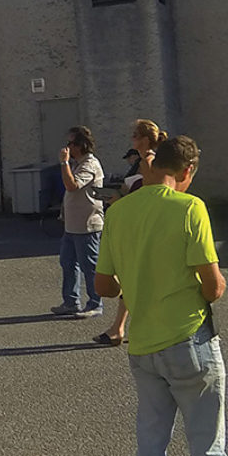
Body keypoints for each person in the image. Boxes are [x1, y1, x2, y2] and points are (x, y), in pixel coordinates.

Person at [94, 136, 228, 456]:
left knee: (152, 445)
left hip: (144, 345)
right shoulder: (189, 208)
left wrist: (134, 275)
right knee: (206, 444)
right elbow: (212, 286)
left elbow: (104, 285)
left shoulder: (120, 211)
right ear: (187, 172)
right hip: (189, 340)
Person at [95, 119, 167, 346]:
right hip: (135, 223)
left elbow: (150, 194)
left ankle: (125, 328)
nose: (131, 139)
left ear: (145, 139)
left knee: (140, 277)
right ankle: (119, 327)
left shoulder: (151, 161)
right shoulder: (138, 162)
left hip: (144, 225)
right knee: (135, 277)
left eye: (134, 136)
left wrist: (121, 199)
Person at [51, 125, 104, 318]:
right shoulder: (76, 164)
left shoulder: (90, 164)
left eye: (71, 144)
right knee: (68, 262)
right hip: (72, 225)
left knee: (89, 265)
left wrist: (64, 164)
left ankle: (95, 303)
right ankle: (71, 301)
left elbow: (72, 186)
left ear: (81, 145)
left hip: (87, 224)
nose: (67, 148)